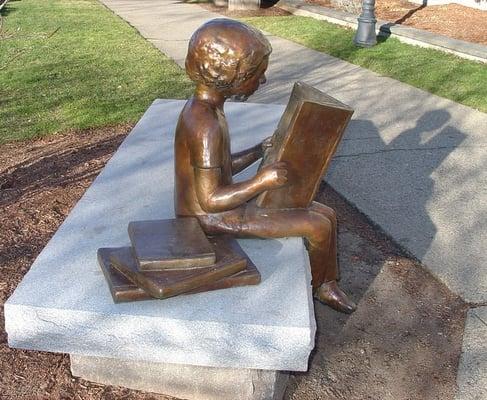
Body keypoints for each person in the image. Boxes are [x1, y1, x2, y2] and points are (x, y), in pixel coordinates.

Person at [174, 19, 356, 313]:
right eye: (257, 74)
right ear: (232, 75)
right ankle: (320, 290)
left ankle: (326, 283)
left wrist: (257, 151)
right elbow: (210, 200)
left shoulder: (205, 109)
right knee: (317, 225)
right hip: (208, 218)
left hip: (214, 207)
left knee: (327, 213)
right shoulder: (206, 125)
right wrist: (262, 181)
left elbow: (220, 169)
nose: (263, 81)